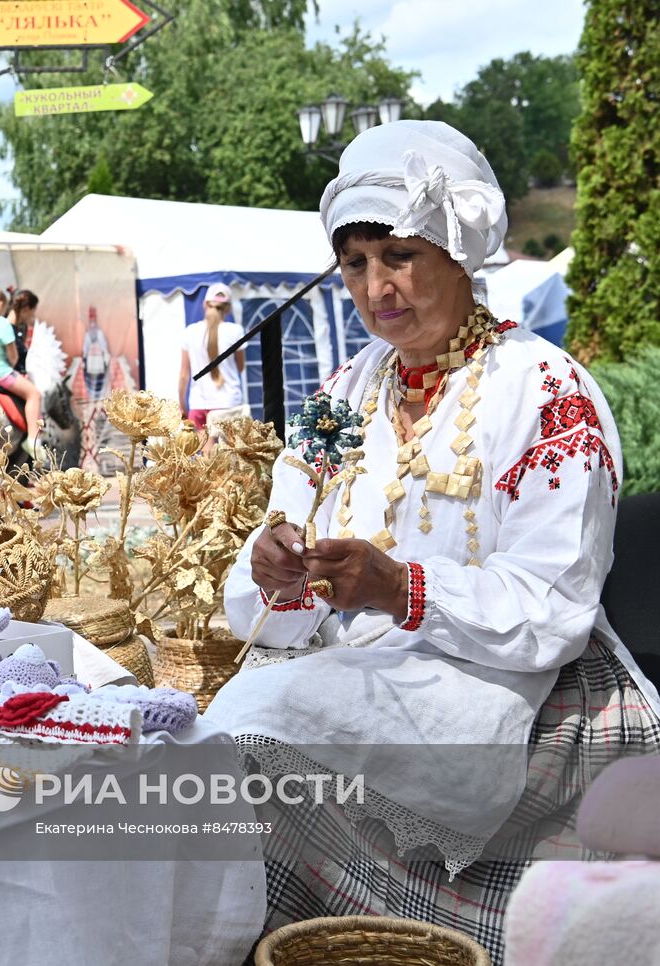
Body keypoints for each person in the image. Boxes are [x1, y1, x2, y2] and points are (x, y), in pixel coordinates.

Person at [203, 120, 660, 959]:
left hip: (511, 681)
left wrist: (400, 588)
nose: (378, 287)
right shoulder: (346, 392)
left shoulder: (547, 390)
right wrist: (277, 566)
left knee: (255, 725)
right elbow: (287, 533)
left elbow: (553, 605)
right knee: (222, 735)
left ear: (458, 251)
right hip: (355, 667)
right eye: (355, 264)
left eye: (399, 256)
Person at [0, 285, 41, 456]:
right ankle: (33, 440)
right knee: (34, 395)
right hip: (0, 373)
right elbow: (13, 357)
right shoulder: (2, 323)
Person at [177, 282, 245, 428]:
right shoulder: (235, 331)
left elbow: (184, 375)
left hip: (199, 403)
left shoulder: (190, 332)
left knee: (207, 451)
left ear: (205, 305)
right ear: (228, 309)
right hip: (228, 404)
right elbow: (240, 367)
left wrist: (182, 405)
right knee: (229, 450)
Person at [81, 306, 112, 399]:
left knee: (99, 376)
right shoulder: (88, 334)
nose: (92, 323)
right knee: (92, 376)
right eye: (91, 320)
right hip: (91, 360)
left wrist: (105, 354)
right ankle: (92, 395)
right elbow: (85, 347)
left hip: (98, 359)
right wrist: (84, 358)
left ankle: (100, 395)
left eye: (94, 320)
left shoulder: (99, 333)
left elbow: (103, 345)